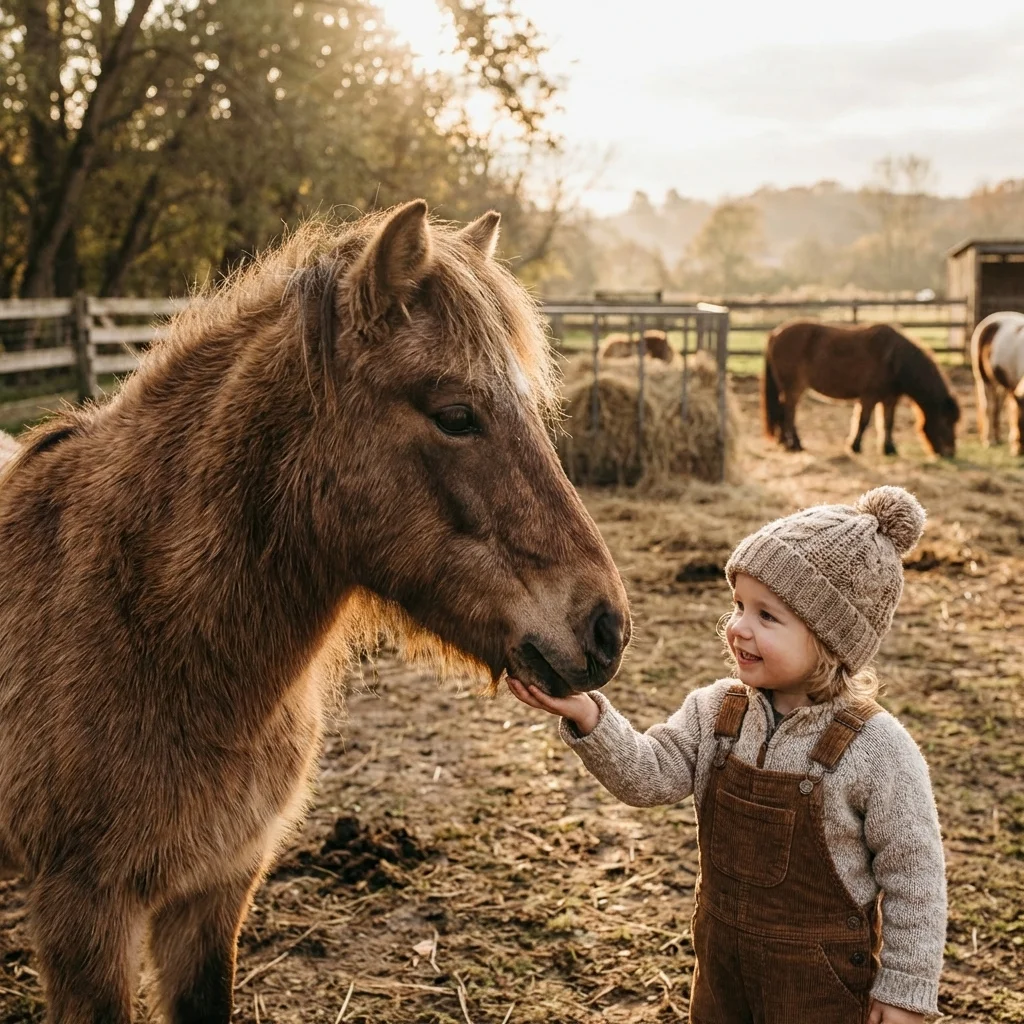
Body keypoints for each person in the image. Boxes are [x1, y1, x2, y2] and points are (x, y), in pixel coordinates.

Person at [508, 486, 946, 1024]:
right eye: (739, 605)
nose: (738, 626)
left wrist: (904, 989)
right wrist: (591, 718)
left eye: (768, 616)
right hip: (721, 973)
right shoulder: (717, 712)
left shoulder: (878, 751)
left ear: (832, 640)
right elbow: (649, 775)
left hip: (819, 990)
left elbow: (915, 876)